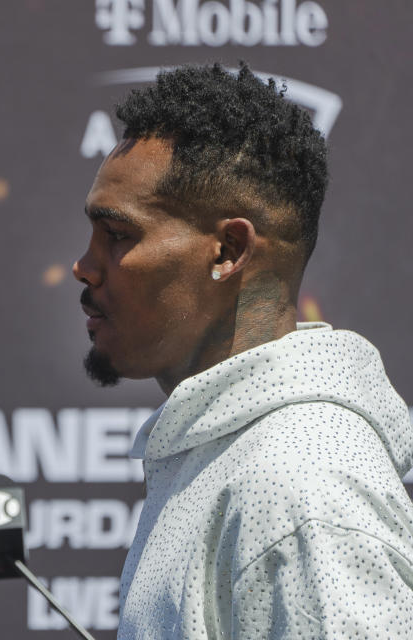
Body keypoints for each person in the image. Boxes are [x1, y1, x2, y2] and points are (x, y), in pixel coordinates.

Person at [73, 63, 413, 637]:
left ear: (228, 250)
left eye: (118, 235)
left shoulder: (300, 480)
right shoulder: (235, 452)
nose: (84, 267)